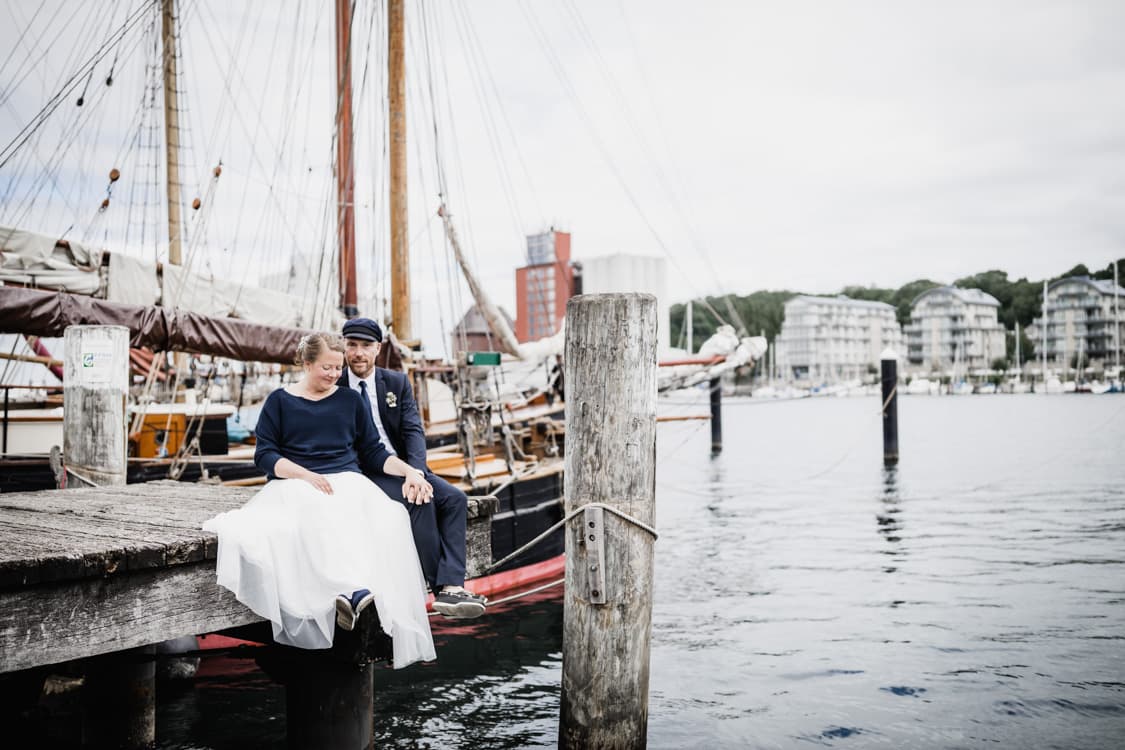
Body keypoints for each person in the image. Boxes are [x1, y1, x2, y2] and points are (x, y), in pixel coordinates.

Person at [203, 333, 436, 669]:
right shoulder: (279, 402)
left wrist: (410, 472)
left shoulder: (350, 402)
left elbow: (373, 451)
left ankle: (354, 594)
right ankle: (348, 591)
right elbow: (265, 455)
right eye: (326, 367)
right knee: (315, 513)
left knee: (389, 515)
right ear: (307, 363)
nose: (333, 374)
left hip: (347, 479)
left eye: (338, 369)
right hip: (295, 481)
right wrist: (304, 476)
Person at [340, 317, 488, 618]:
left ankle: (452, 584)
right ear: (342, 345)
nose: (358, 352)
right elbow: (359, 450)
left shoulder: (395, 382)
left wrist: (417, 472)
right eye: (351, 345)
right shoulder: (336, 386)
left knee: (455, 498)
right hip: (365, 471)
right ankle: (442, 589)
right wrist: (410, 479)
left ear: (378, 348)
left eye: (365, 346)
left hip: (406, 466)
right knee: (420, 499)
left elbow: (412, 431)